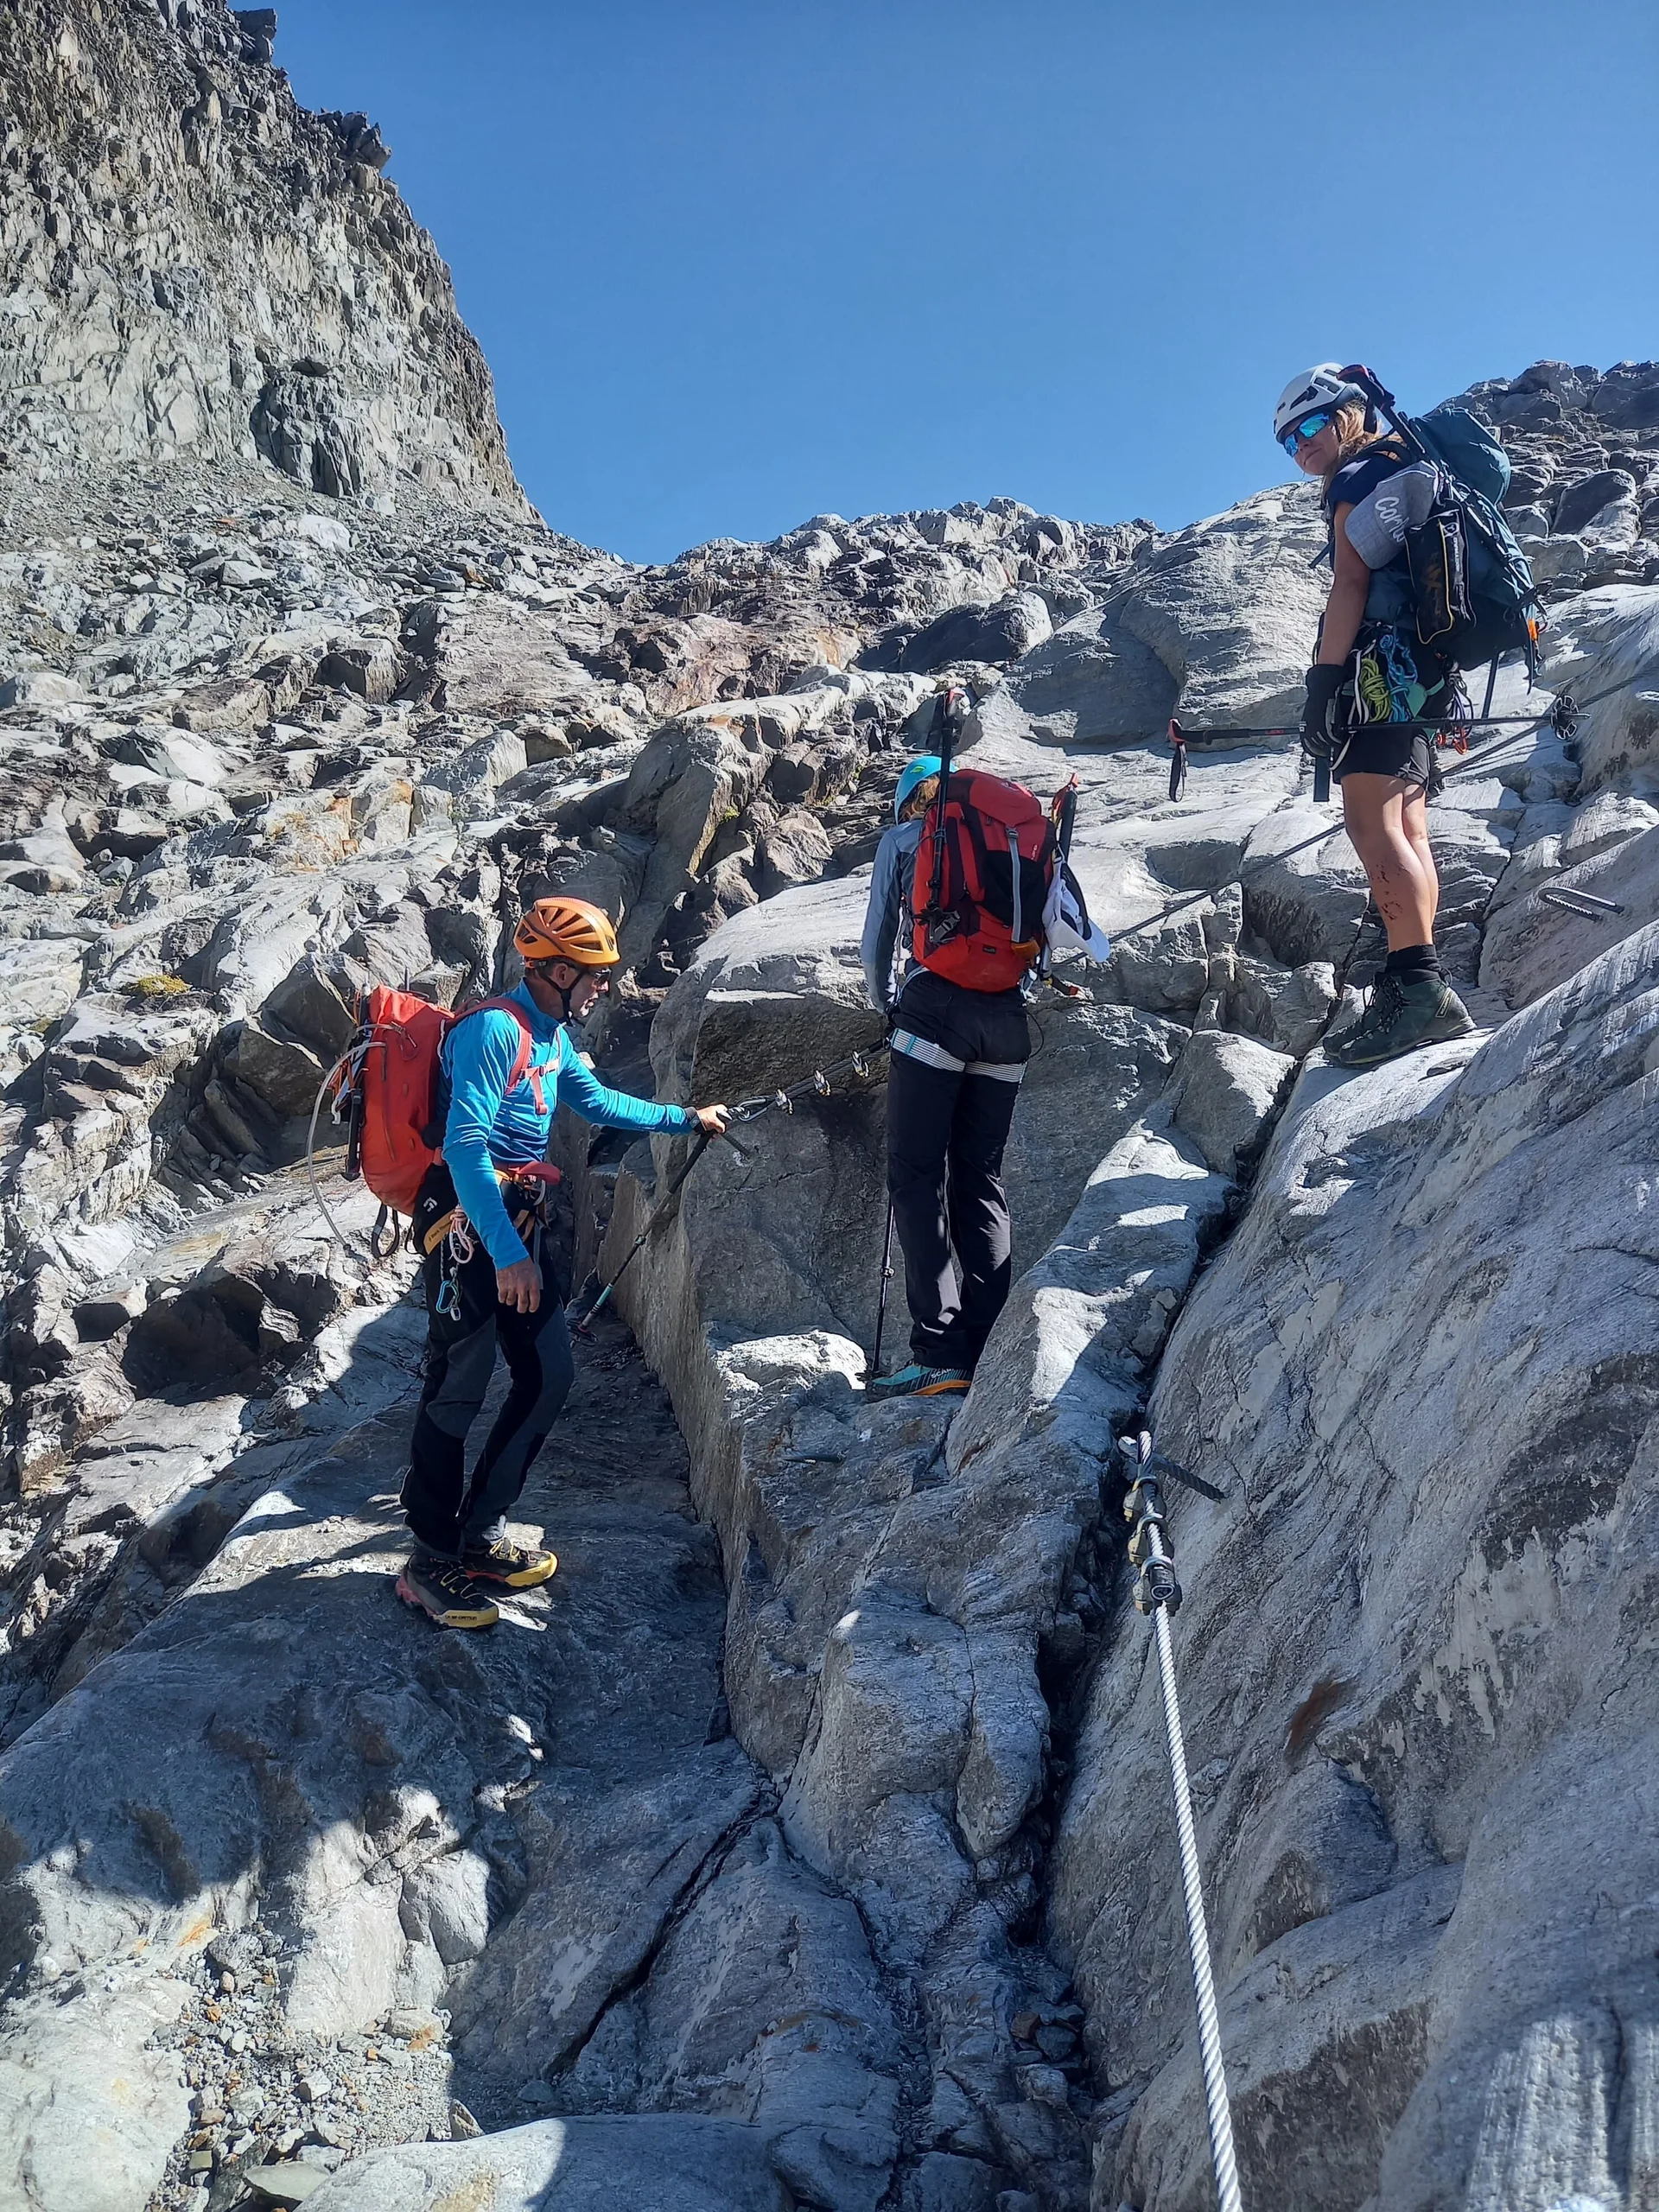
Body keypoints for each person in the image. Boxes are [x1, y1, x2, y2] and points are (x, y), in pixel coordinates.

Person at [397, 896, 730, 1630]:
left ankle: (479, 1535)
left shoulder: (549, 1039)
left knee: (548, 1376)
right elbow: (463, 1148)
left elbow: (601, 1101)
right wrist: (510, 1256)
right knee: (458, 1384)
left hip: (515, 1221)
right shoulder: (493, 1029)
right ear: (549, 971)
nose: (603, 987)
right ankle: (429, 1557)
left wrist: (685, 1117)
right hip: (465, 1223)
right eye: (592, 974)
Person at [1277, 363, 1477, 1067]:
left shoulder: (1359, 479)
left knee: (1371, 822)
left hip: (1378, 671)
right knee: (1408, 825)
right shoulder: (1406, 466)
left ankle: (1419, 989)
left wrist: (1324, 681)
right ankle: (1419, 984)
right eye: (1285, 441)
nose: (1298, 445)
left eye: (1307, 425)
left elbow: (1351, 581)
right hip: (1424, 675)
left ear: (1349, 412)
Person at [859, 754, 1031, 1400]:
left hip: (934, 1014)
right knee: (980, 1179)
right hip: (1007, 1022)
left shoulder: (906, 839)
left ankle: (939, 1351)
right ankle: (989, 1350)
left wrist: (890, 1007)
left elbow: (877, 942)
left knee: (916, 1177)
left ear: (908, 800)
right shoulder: (1005, 842)